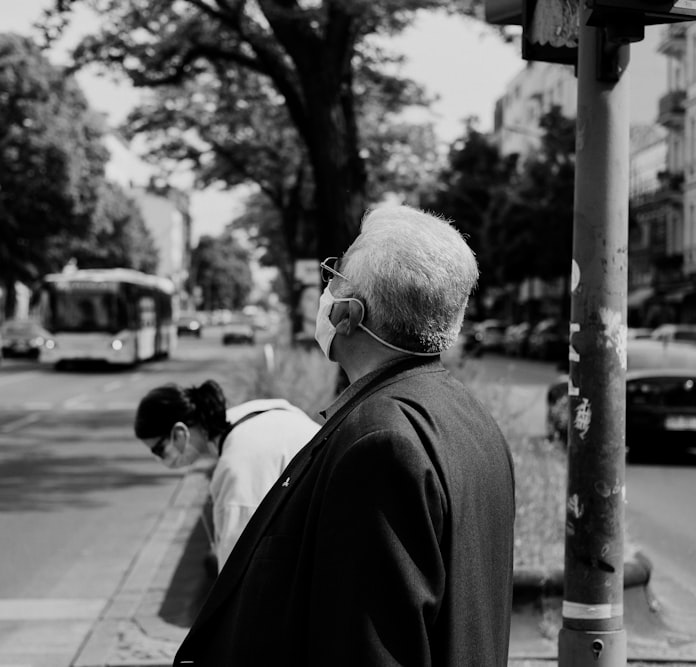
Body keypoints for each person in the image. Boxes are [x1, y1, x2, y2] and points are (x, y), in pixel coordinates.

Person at [174, 205, 516, 666]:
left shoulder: (381, 445)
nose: (325, 288)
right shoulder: (470, 417)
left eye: (334, 275)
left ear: (350, 315)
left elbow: (367, 649)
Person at [134, 380, 320, 571]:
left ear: (180, 433)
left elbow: (239, 565)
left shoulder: (237, 464)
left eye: (158, 450)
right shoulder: (257, 412)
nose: (159, 460)